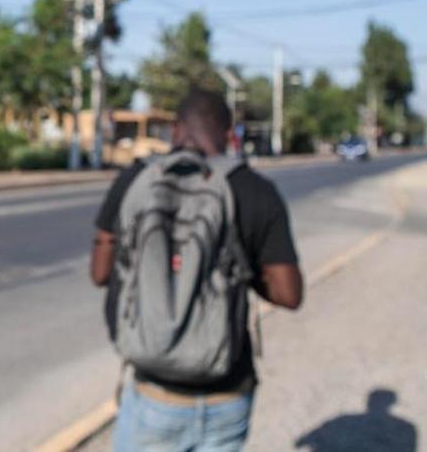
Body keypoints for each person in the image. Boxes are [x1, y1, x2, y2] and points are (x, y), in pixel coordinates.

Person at [91, 88, 303, 451]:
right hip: (227, 393)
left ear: (176, 130)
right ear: (229, 133)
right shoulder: (255, 190)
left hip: (153, 392)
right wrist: (243, 270)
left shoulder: (136, 180)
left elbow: (99, 273)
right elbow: (289, 295)